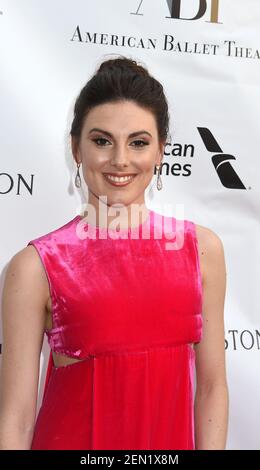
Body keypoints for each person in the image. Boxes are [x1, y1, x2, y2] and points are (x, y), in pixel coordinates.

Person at [0, 55, 228, 450]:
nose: (120, 160)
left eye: (138, 142)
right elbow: (16, 418)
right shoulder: (36, 267)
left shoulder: (201, 251)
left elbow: (211, 389)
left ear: (160, 152)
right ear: (76, 149)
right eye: (102, 140)